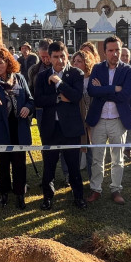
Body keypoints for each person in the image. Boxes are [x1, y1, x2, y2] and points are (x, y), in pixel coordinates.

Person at [34, 41, 87, 210]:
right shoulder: (41, 76)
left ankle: (78, 197)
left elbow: (76, 96)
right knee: (49, 166)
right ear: (49, 58)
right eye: (55, 57)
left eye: (62, 56)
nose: (59, 60)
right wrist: (57, 98)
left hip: (70, 129)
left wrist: (58, 83)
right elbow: (38, 100)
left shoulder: (76, 73)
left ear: (67, 56)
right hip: (50, 128)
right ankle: (48, 197)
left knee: (73, 167)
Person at [0, 45, 33, 210]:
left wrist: (27, 107)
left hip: (19, 129)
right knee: (2, 164)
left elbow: (30, 99)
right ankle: (3, 192)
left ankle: (20, 193)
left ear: (8, 62)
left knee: (19, 163)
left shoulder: (19, 78)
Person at [85, 36, 131, 205]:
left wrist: (103, 90)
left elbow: (126, 95)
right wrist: (114, 88)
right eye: (111, 50)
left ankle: (116, 189)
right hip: (98, 120)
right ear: (104, 52)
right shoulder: (97, 68)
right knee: (97, 158)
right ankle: (96, 188)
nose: (114, 54)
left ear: (121, 50)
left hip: (118, 121)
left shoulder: (128, 70)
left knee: (117, 158)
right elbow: (92, 90)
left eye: (117, 50)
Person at [71, 50, 97, 178]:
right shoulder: (71, 79)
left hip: (91, 121)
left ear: (86, 63)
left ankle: (93, 179)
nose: (76, 64)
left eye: (79, 61)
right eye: (74, 61)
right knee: (75, 152)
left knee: (91, 152)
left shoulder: (93, 79)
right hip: (75, 121)